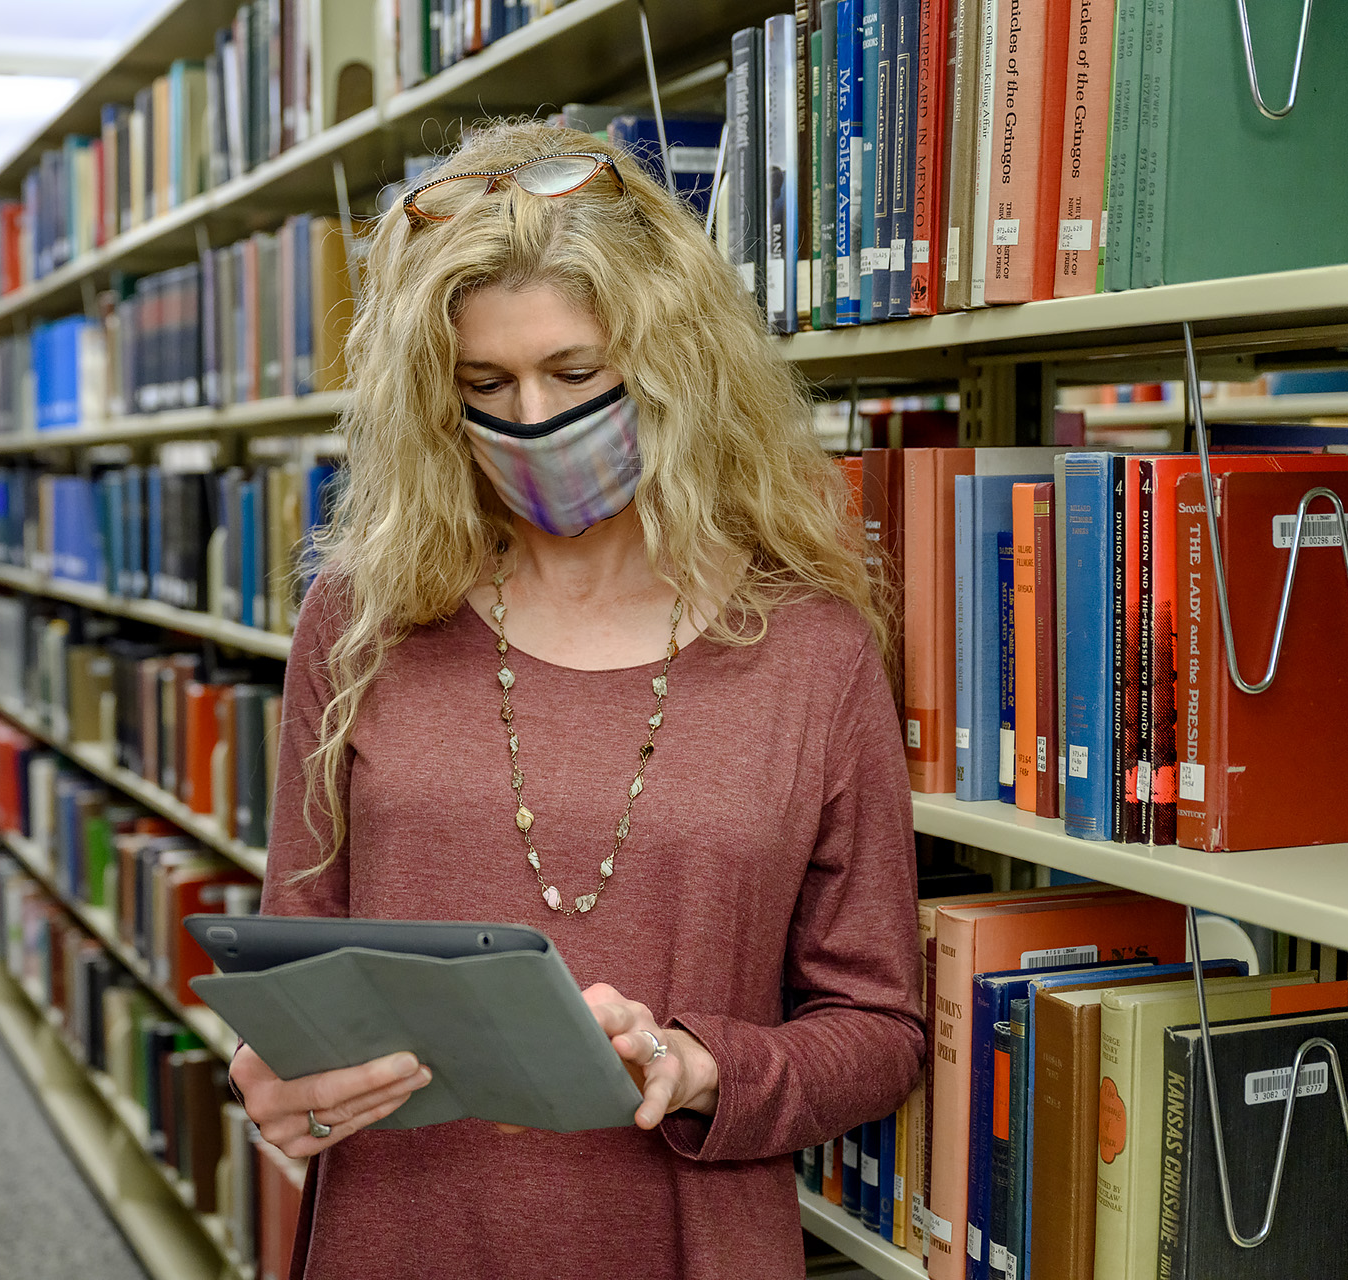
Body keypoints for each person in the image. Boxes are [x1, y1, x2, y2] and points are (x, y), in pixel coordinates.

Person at [229, 119, 926, 1279]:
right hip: (403, 1234)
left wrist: (700, 1066)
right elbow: (294, 962)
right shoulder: (360, 621)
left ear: (670, 364)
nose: (536, 419)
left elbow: (880, 1028)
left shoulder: (811, 646)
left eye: (576, 372)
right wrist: (274, 1067)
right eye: (485, 383)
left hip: (683, 1240)